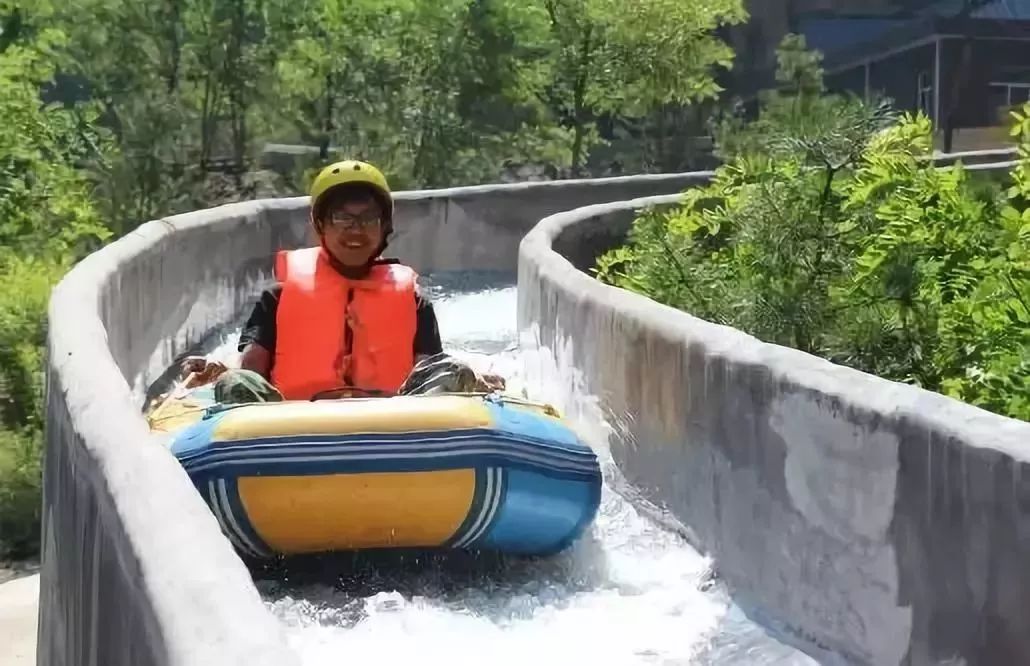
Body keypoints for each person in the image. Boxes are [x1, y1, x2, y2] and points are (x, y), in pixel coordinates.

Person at [181, 159, 503, 403]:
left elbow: (426, 374)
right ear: (321, 225)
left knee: (452, 372)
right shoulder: (276, 298)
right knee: (234, 385)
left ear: (384, 228)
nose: (356, 229)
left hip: (393, 422)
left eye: (367, 219)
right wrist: (221, 373)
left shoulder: (414, 301)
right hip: (290, 426)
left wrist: (468, 380)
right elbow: (251, 370)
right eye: (342, 218)